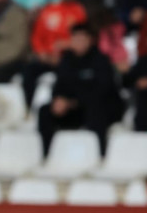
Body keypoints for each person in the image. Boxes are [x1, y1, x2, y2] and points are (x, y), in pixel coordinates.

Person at [37, 24, 122, 155]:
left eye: (82, 39)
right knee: (45, 111)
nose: (79, 42)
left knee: (96, 110)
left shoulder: (101, 60)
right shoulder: (67, 60)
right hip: (74, 109)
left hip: (100, 107)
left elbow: (103, 90)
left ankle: (99, 154)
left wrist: (73, 102)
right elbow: (60, 85)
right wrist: (59, 100)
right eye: (75, 38)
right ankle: (46, 153)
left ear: (91, 40)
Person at [22, 0, 87, 106]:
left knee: (67, 73)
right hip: (46, 56)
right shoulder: (49, 9)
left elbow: (83, 38)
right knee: (29, 71)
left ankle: (60, 105)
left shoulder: (79, 11)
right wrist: (41, 52)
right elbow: (37, 36)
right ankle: (28, 106)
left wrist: (65, 46)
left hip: (67, 57)